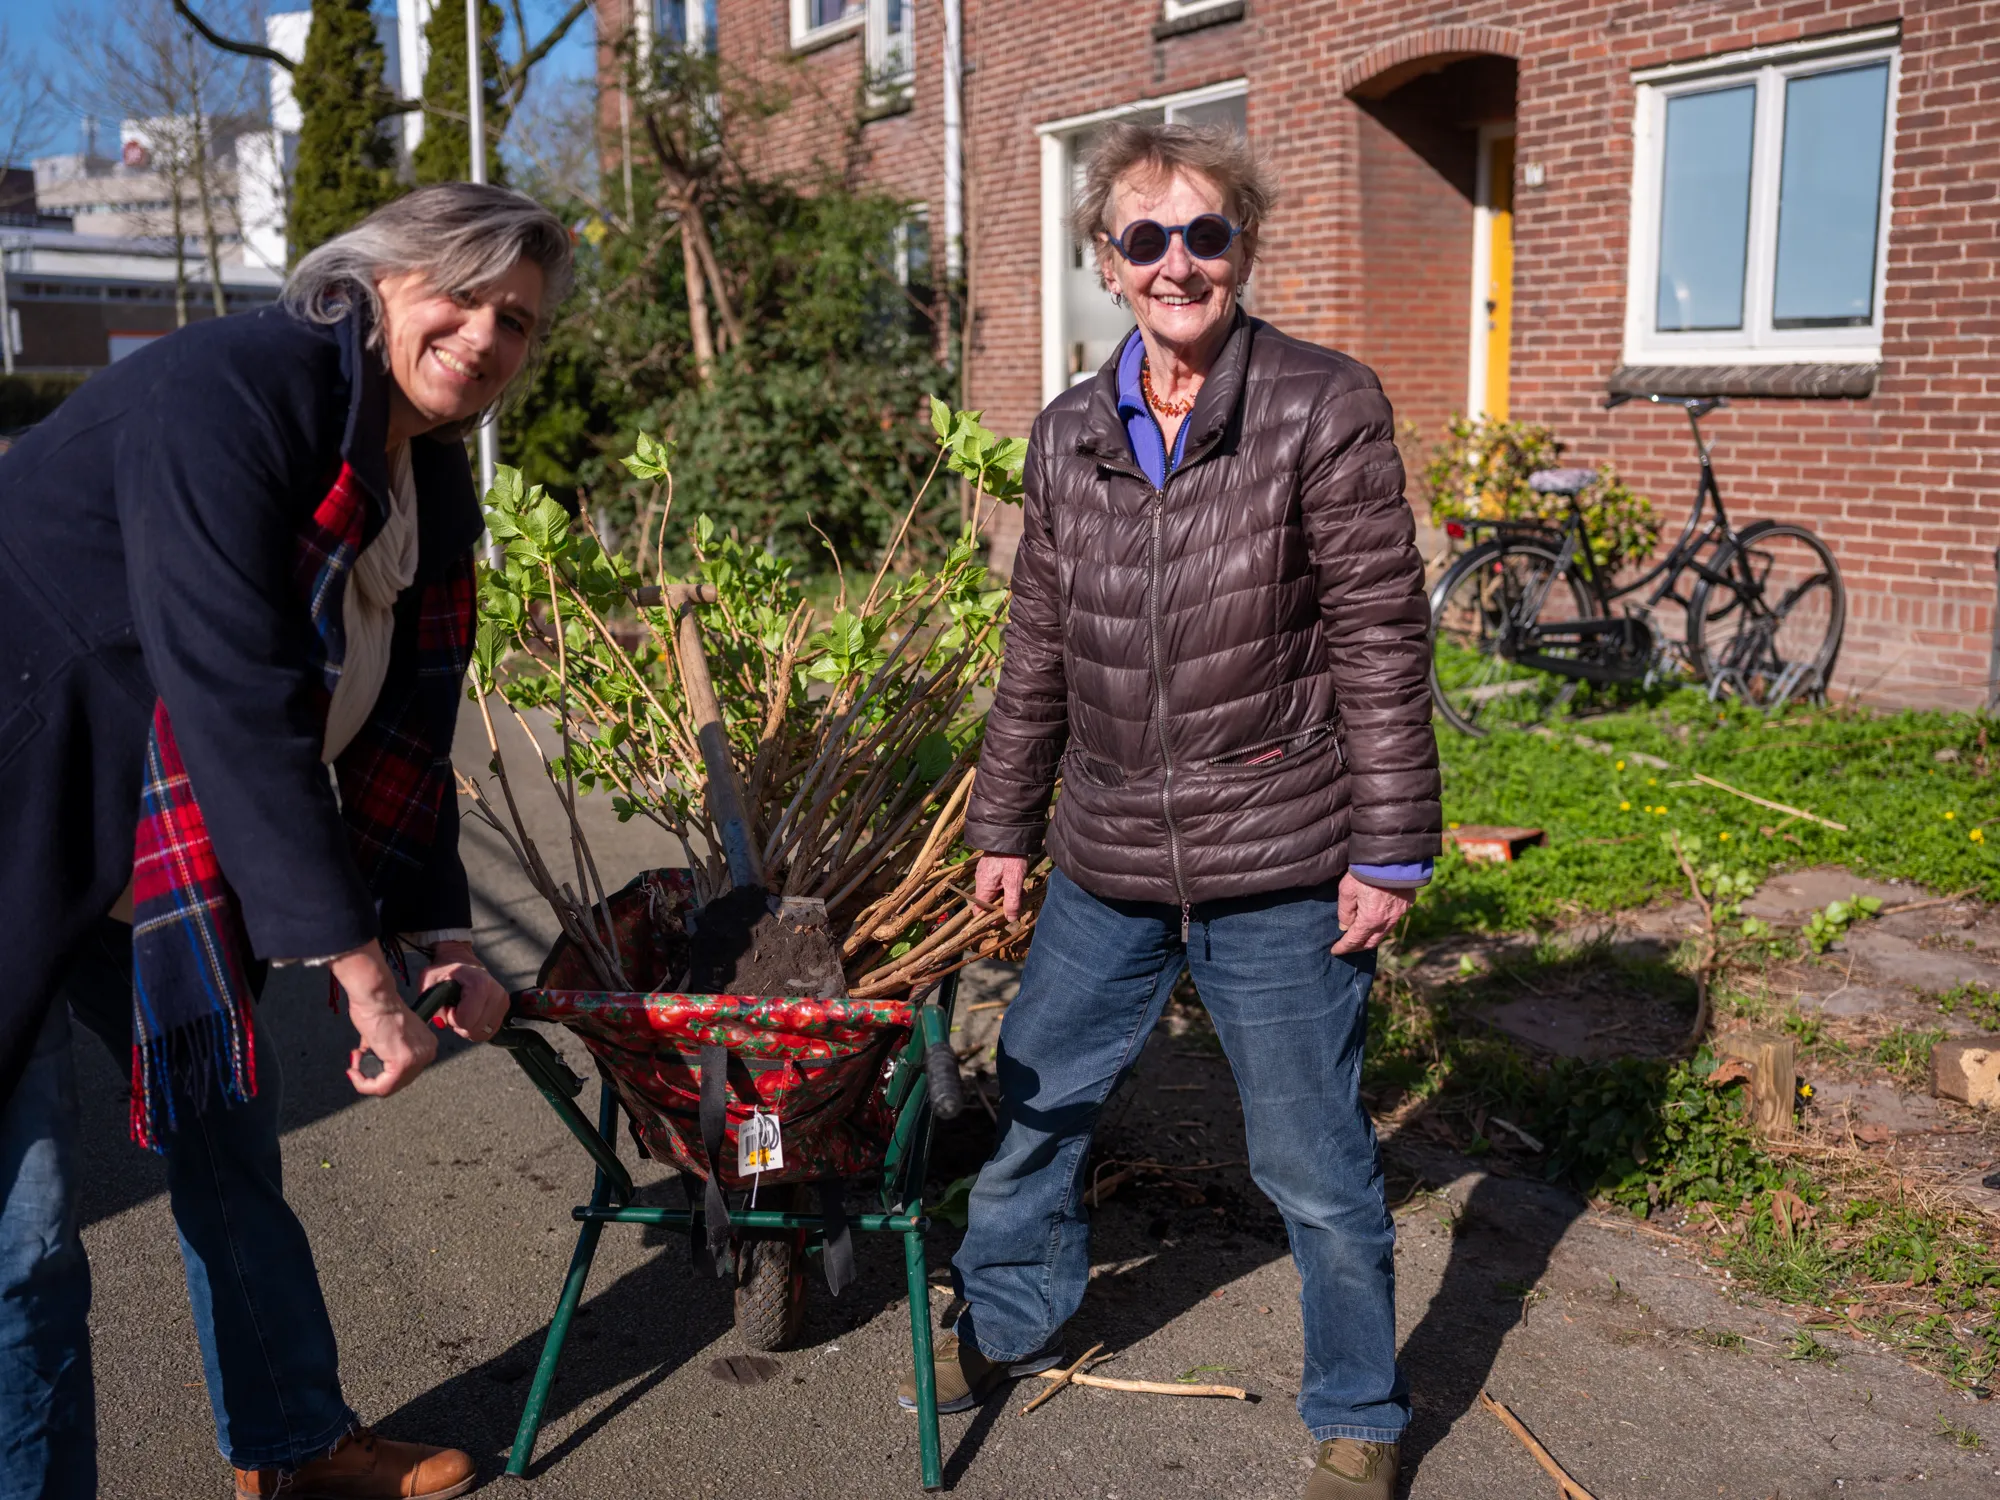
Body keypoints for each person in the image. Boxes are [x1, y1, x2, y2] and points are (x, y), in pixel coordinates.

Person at [0, 183, 574, 1500]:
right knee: (27, 1235)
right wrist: (358, 970)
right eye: (460, 294)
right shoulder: (230, 393)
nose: (485, 336)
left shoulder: (424, 478)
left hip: (154, 840)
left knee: (230, 1145)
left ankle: (294, 1445)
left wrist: (437, 939)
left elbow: (407, 740)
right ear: (374, 283)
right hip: (23, 822)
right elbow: (235, 696)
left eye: (519, 321)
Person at [897, 123, 1441, 1499]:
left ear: (1243, 247)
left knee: (1312, 1164)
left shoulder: (1325, 405)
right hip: (1107, 850)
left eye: (1206, 233)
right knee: (1034, 1108)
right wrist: (1004, 827)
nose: (1177, 261)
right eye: (1146, 238)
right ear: (1106, 262)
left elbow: (1381, 637)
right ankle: (1009, 1317)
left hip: (1279, 854)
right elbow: (1039, 651)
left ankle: (1359, 1415)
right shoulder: (1071, 430)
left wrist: (1390, 845)